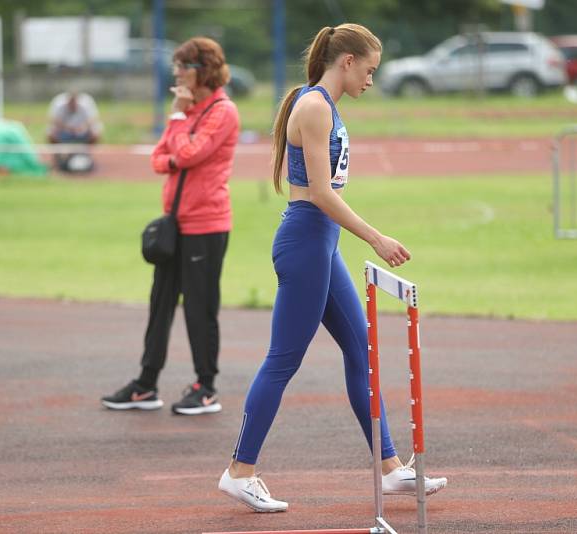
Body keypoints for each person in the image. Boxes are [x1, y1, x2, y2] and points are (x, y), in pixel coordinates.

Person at [217, 24, 447, 512]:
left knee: (362, 352)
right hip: (306, 242)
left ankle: (389, 470)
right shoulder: (316, 106)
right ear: (346, 61)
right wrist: (377, 238)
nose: (371, 80)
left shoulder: (319, 103)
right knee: (283, 360)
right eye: (369, 71)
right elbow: (321, 193)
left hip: (320, 244)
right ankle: (240, 471)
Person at [101, 37, 240, 416]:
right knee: (160, 304)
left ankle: (206, 387)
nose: (176, 74)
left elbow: (189, 153)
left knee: (200, 307)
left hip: (207, 225)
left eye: (183, 67)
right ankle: (146, 385)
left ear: (203, 70)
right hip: (176, 224)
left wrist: (178, 124)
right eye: (177, 66)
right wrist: (179, 136)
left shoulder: (221, 111)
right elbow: (160, 158)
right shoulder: (187, 111)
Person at [46, 90, 103, 172]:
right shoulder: (59, 104)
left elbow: (93, 119)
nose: (73, 106)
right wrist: (67, 128)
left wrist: (82, 127)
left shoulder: (86, 104)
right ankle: (57, 158)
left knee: (96, 133)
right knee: (51, 134)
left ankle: (87, 156)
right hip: (64, 132)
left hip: (81, 132)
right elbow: (53, 120)